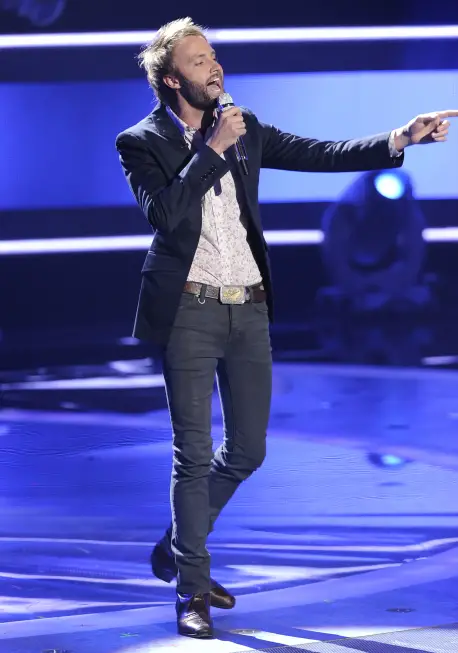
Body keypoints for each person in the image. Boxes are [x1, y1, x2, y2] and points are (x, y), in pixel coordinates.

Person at [115, 17, 457, 639]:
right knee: (192, 455)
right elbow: (165, 214)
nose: (214, 66)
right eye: (198, 61)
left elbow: (318, 153)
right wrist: (211, 151)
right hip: (188, 309)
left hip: (248, 307)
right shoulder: (141, 141)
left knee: (248, 449)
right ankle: (192, 589)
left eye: (213, 55)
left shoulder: (243, 126)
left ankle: (177, 546)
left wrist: (400, 138)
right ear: (171, 80)